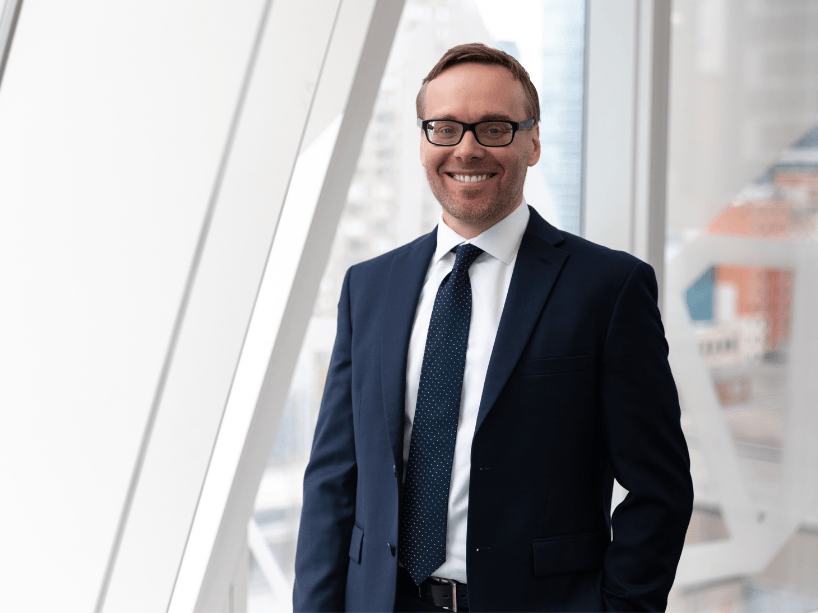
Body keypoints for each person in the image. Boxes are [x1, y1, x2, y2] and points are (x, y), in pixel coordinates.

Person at [293, 43, 693, 612]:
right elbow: (333, 478)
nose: (467, 148)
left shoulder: (608, 288)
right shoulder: (370, 287)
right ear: (424, 140)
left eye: (495, 128)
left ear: (532, 142)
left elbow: (661, 488)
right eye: (445, 128)